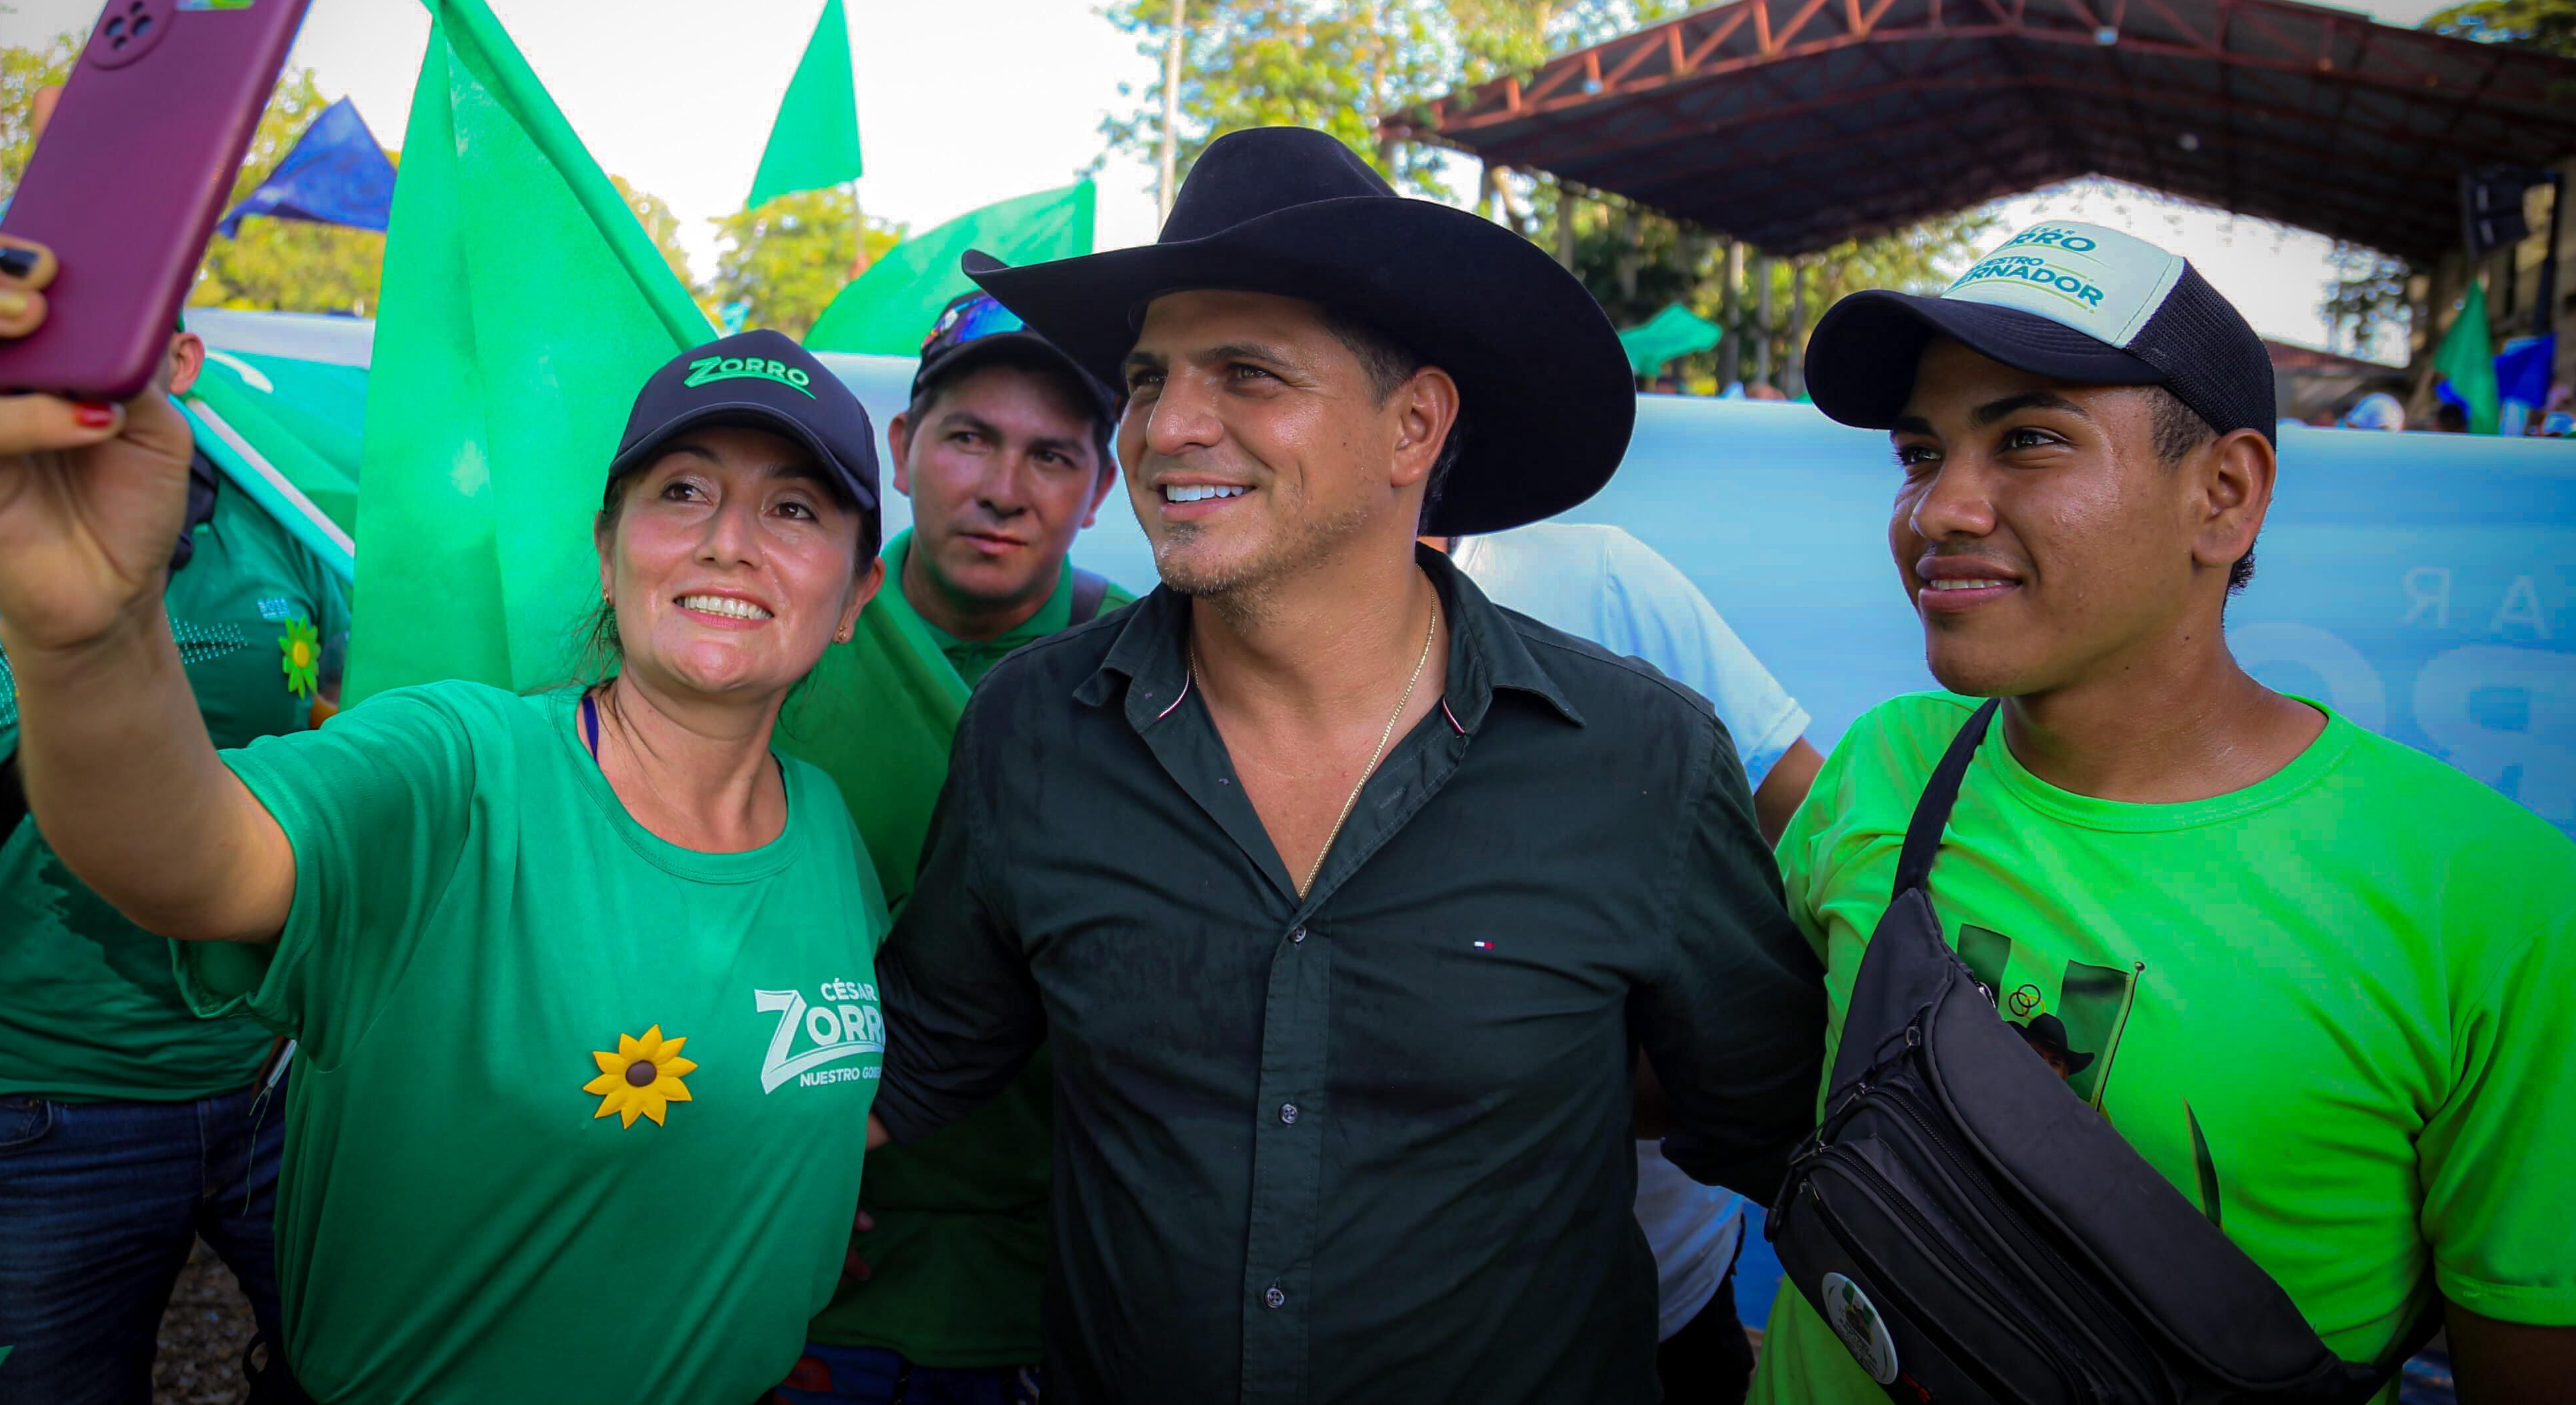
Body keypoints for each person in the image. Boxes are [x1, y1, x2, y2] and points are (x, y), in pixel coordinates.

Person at [867, 127, 1830, 1403]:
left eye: (1249, 374)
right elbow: (922, 1056)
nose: (1168, 427)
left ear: (1414, 425)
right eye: (1149, 378)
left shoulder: (1636, 759)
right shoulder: (1034, 728)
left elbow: (1778, 1122)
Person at [0, 237, 897, 1405]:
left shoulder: (831, 835)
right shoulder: (456, 771)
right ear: (608, 554)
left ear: (857, 592)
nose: (728, 539)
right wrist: (87, 630)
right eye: (683, 491)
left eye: (795, 507)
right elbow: (186, 855)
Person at [1758, 219, 2576, 1401]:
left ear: (2225, 496)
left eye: (2030, 439)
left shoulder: (2495, 898)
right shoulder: (1884, 765)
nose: (1940, 509)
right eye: (1921, 452)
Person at [0, 323, 340, 1405]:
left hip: (291, 1079)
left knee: (360, 1370)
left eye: (102, 328)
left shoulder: (287, 533)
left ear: (184, 359)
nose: (59, 378)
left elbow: (376, 727)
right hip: (48, 1103)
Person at [777, 289, 1129, 1405]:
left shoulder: (1161, 677)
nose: (1003, 490)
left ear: (1101, 488)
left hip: (1062, 1284)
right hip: (802, 1268)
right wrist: (737, 1202)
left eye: (1052, 455)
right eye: (970, 437)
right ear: (903, 447)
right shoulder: (775, 642)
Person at [1429, 520, 1821, 1402]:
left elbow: (1810, 827)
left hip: (1661, 1281)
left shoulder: (1594, 579)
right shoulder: (1201, 657)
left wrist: (1640, 1066)